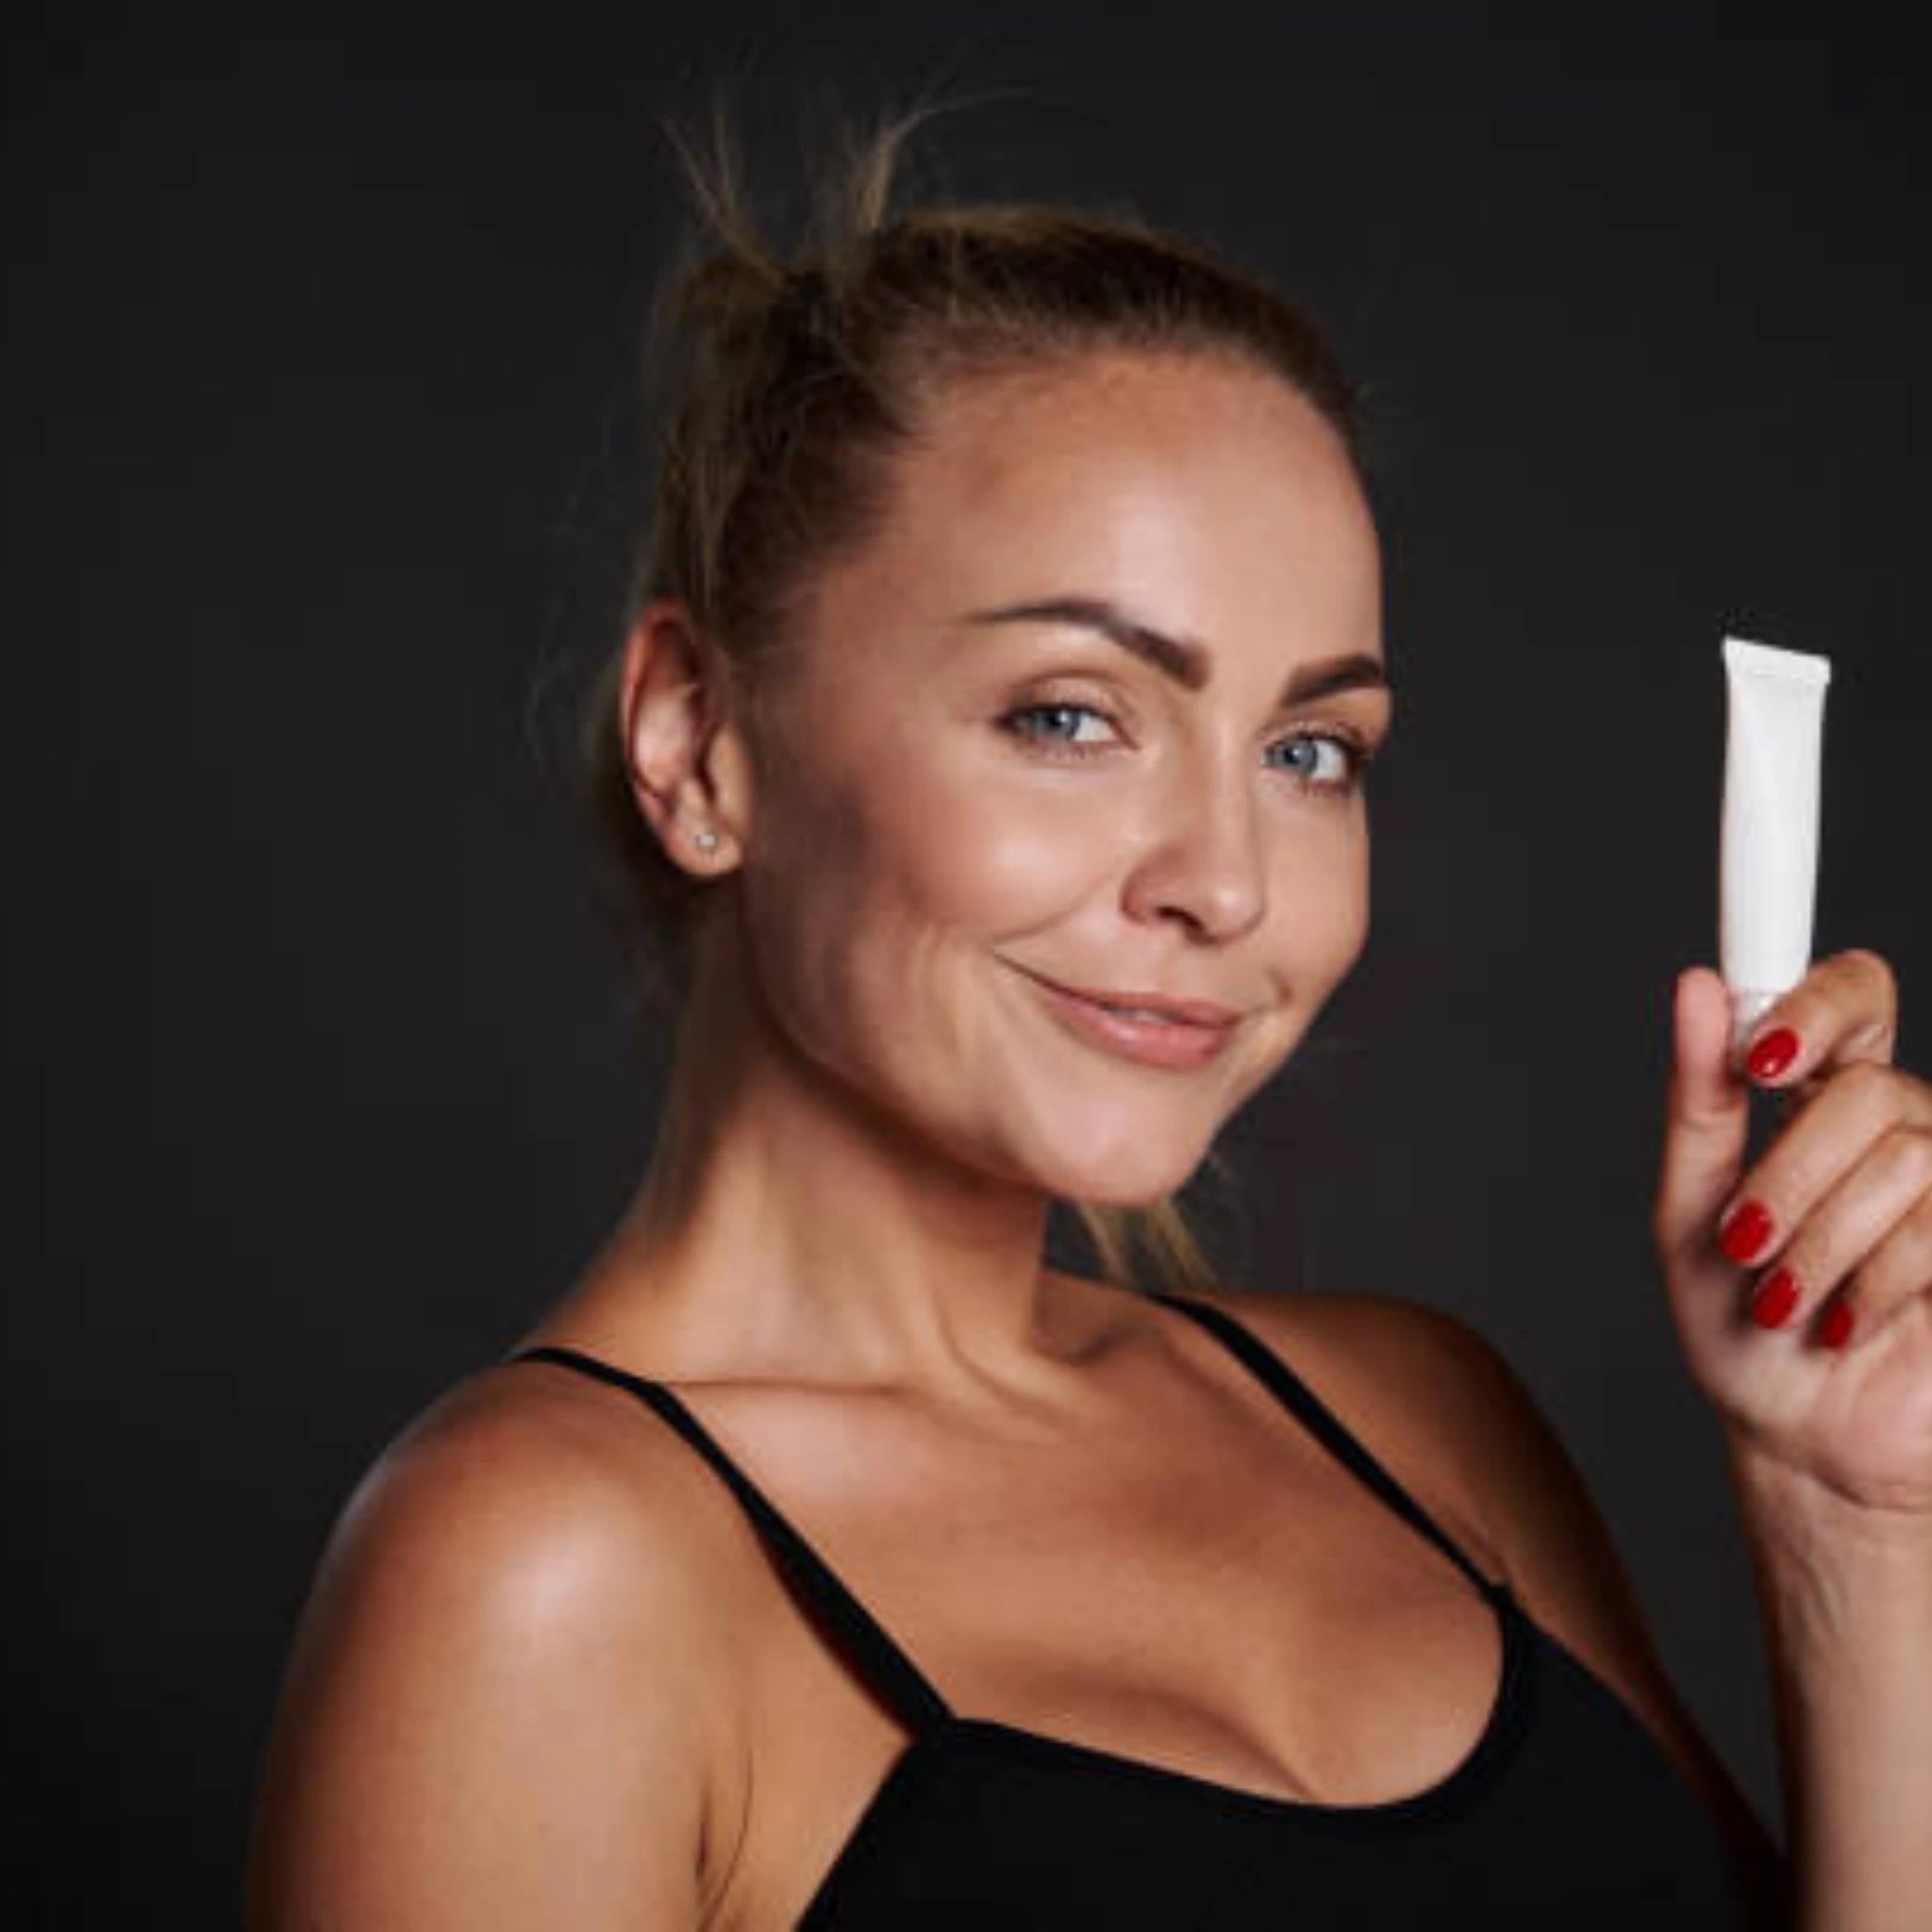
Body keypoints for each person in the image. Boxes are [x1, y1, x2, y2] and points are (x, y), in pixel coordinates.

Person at [244, 100, 1931, 1929]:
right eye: (1070, 714)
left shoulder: (1425, 1421)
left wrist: (1854, 1519)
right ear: (697, 739)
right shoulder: (536, 1572)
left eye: (1309, 751)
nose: (1225, 878)